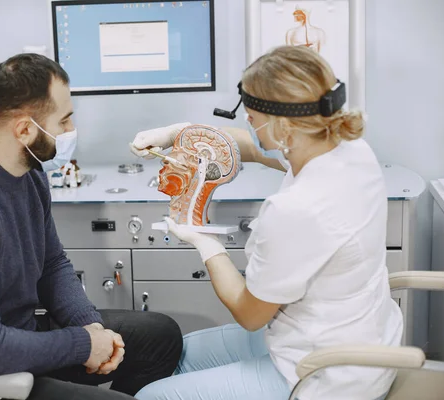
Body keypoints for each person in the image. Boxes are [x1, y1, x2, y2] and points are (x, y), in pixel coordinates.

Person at [0, 53, 183, 400]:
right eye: (64, 121)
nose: (71, 132)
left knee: (162, 337)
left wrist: (88, 325)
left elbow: (51, 263)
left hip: (16, 339)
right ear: (25, 129)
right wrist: (82, 345)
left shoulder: (28, 174)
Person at [129, 46, 402, 400]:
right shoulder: (345, 149)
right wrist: (178, 133)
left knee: (150, 396)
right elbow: (257, 148)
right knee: (172, 355)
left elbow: (249, 313)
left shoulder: (295, 209)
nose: (247, 122)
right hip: (350, 335)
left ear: (285, 125)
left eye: (253, 116)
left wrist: (205, 243)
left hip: (324, 376)